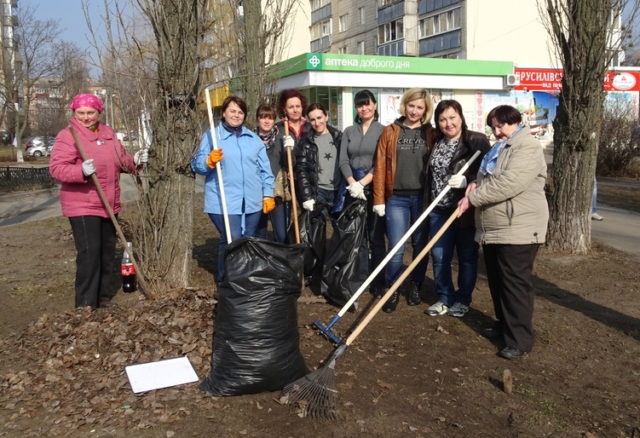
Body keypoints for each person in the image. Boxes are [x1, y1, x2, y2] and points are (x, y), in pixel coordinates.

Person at [458, 105, 549, 360]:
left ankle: (519, 339)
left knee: (515, 284)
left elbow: (509, 183)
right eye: (494, 127)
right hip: (494, 227)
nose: (497, 132)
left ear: (516, 122)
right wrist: (474, 183)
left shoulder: (527, 147)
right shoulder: (499, 148)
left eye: (501, 126)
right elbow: (487, 177)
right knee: (497, 281)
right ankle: (504, 324)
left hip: (518, 227)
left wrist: (473, 198)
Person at [49, 93, 148, 309]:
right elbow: (56, 169)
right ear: (74, 113)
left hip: (108, 204)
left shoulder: (109, 133)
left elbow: (121, 161)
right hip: (82, 205)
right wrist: (80, 171)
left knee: (105, 253)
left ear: (98, 112)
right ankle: (85, 304)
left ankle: (102, 298)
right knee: (89, 254)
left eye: (90, 113)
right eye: (81, 113)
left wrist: (136, 161)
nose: (86, 117)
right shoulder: (69, 135)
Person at [192, 95, 275, 283]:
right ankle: (226, 281)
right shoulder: (213, 136)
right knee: (232, 239)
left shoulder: (253, 139)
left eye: (240, 112)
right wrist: (208, 161)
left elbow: (265, 170)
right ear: (224, 113)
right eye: (232, 111)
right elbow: (197, 165)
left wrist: (268, 194)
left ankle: (244, 279)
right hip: (223, 200)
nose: (236, 115)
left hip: (252, 200)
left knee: (248, 239)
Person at [423, 100, 490, 317]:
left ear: (460, 116)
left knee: (466, 257)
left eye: (452, 117)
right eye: (443, 119)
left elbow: (488, 172)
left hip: (463, 210)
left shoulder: (476, 141)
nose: (448, 123)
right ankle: (444, 298)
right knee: (439, 255)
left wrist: (468, 182)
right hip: (438, 209)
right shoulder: (435, 141)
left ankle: (462, 300)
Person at [372, 88, 435, 313]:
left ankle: (415, 285)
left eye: (420, 107)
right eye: (411, 105)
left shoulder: (431, 133)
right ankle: (393, 287)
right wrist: (379, 199)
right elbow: (379, 166)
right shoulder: (390, 131)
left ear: (425, 110)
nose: (415, 111)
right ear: (404, 105)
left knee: (420, 246)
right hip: (396, 199)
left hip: (422, 199)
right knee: (397, 248)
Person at [339, 89, 386, 297]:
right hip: (352, 189)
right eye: (360, 105)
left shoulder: (384, 130)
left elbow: (382, 162)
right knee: (356, 236)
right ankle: (358, 278)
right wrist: (352, 183)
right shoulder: (349, 131)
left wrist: (364, 182)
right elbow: (343, 160)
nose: (364, 108)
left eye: (367, 104)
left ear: (374, 105)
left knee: (375, 236)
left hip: (374, 188)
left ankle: (378, 281)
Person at [294, 103, 343, 216]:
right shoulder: (306, 142)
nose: (317, 123)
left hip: (337, 191)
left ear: (326, 116)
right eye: (312, 120)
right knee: (317, 230)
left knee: (339, 229)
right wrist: (307, 197)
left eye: (319, 118)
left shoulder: (339, 137)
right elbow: (302, 170)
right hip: (318, 191)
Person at [255, 104, 289, 242]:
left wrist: (290, 149)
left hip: (277, 192)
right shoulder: (250, 139)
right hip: (257, 192)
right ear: (258, 119)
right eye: (263, 117)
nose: (267, 121)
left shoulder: (282, 137)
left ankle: (280, 259)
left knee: (281, 234)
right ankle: (262, 261)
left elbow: (290, 164)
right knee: (259, 232)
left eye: (270, 118)